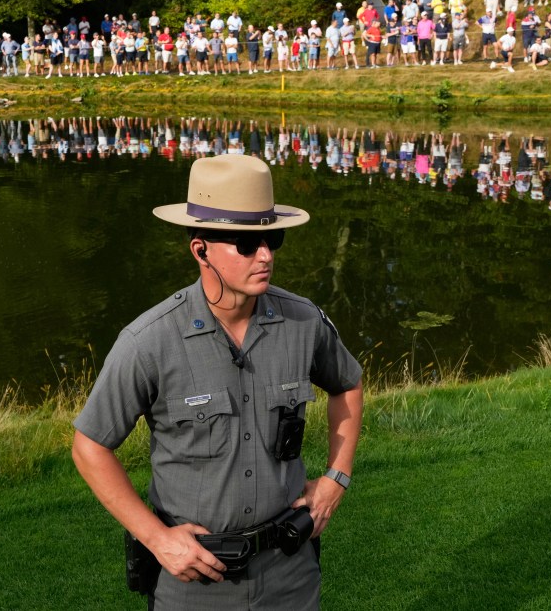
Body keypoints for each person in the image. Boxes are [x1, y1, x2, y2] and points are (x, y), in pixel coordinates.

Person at [72, 154, 363, 611]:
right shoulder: (149, 341)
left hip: (290, 572)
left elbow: (348, 383)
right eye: (246, 245)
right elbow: (89, 445)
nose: (265, 255)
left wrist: (336, 479)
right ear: (200, 248)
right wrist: (156, 538)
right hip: (194, 583)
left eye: (272, 239)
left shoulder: (303, 322)